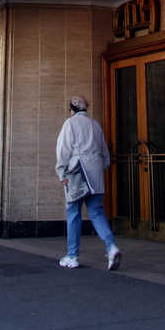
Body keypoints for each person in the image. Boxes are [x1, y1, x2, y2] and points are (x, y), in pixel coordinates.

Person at [55, 94, 121, 270]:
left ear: (72, 109)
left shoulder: (70, 124)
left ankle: (72, 255)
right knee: (97, 212)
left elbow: (63, 150)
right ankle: (111, 246)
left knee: (73, 212)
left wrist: (61, 172)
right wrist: (101, 168)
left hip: (77, 172)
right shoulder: (95, 125)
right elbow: (105, 153)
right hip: (96, 173)